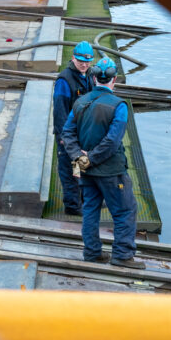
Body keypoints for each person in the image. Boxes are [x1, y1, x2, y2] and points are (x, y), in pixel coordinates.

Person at [61, 57, 145, 269]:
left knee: (90, 209)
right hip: (111, 171)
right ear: (114, 79)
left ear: (94, 77)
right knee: (125, 210)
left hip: (85, 169)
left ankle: (92, 253)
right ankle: (123, 255)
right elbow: (112, 141)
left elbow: (67, 134)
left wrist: (79, 159)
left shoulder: (80, 102)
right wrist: (91, 159)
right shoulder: (119, 106)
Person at [52, 41, 96, 216]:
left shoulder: (90, 75)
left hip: (83, 132)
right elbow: (59, 111)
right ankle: (72, 206)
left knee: (83, 166)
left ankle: (84, 200)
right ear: (73, 58)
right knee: (69, 169)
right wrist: (64, 137)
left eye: (87, 61)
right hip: (67, 133)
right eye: (80, 61)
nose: (84, 65)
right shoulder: (64, 80)